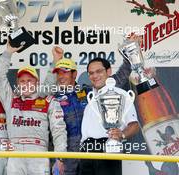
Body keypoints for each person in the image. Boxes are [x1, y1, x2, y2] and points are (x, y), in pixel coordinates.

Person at [51, 46, 132, 175]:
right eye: (59, 73)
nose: (61, 76)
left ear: (74, 74)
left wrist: (130, 55)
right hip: (67, 156)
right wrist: (58, 158)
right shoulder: (53, 99)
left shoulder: (90, 92)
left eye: (65, 72)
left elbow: (117, 80)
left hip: (91, 151)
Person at [0, 43, 67, 175]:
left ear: (37, 83)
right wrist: (8, 52)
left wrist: (60, 158)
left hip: (38, 154)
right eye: (22, 81)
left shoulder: (48, 101)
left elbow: (59, 131)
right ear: (17, 84)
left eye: (30, 80)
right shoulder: (10, 100)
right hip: (15, 156)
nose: (26, 84)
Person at [79, 57, 140, 175]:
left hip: (108, 148)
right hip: (85, 151)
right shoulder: (88, 96)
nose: (95, 76)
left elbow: (134, 125)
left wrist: (121, 134)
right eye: (91, 73)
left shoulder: (120, 94)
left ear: (108, 72)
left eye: (99, 71)